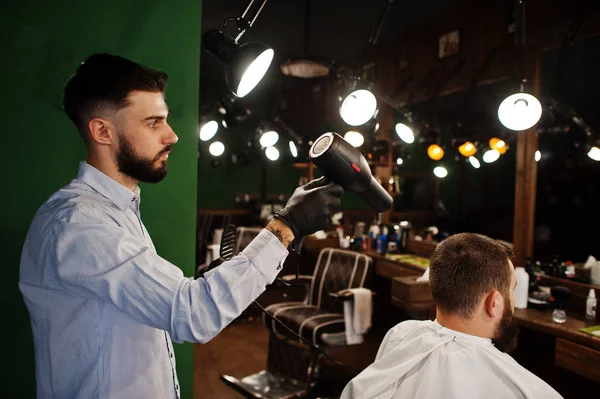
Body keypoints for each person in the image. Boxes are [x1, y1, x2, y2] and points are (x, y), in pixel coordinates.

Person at [19, 53, 343, 399]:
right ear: (102, 131)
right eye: (153, 123)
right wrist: (286, 225)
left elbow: (157, 307)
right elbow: (193, 314)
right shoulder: (80, 223)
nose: (172, 136)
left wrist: (222, 275)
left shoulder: (115, 211)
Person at [341, 233, 562, 399]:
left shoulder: (401, 334)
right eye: (511, 290)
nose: (512, 302)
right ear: (493, 303)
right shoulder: (527, 390)